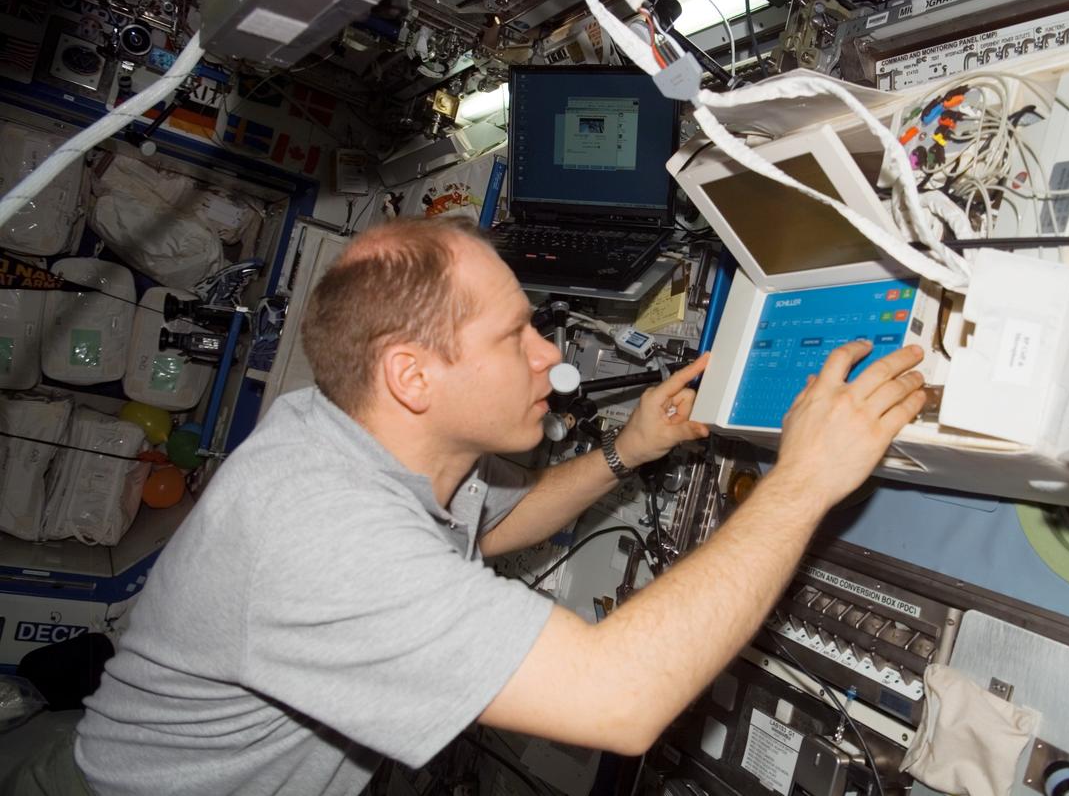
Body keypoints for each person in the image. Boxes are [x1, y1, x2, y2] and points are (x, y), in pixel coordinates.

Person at [11, 216, 926, 795]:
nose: (548, 357)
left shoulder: (342, 431)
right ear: (411, 376)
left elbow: (484, 531)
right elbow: (620, 698)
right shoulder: (316, 530)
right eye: (514, 332)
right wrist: (804, 479)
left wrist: (628, 450)